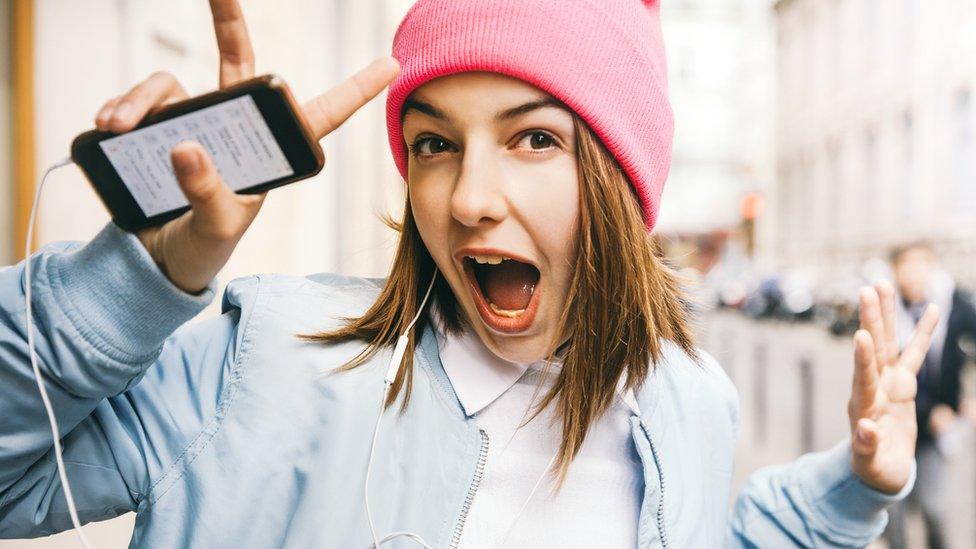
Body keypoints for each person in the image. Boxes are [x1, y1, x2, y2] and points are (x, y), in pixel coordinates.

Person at [0, 1, 939, 547]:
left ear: (621, 180)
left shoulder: (690, 398)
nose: (466, 198)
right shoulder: (263, 364)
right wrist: (140, 280)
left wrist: (852, 485)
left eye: (534, 137)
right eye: (434, 143)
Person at [883, 242, 976, 549]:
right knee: (892, 514)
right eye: (906, 265)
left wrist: (968, 397)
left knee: (934, 508)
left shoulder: (957, 304)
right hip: (893, 426)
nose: (913, 273)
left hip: (934, 432)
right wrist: (930, 410)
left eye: (921, 264)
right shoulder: (886, 312)